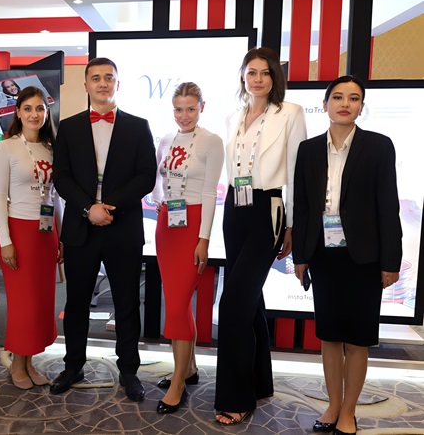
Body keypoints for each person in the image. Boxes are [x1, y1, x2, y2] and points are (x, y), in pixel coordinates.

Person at [292, 75, 402, 435]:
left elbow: (388, 206)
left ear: (361, 107)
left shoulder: (378, 146)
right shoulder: (308, 149)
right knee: (329, 336)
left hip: (364, 258)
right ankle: (333, 405)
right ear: (325, 104)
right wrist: (300, 256)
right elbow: (303, 206)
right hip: (323, 256)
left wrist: (391, 261)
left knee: (356, 339)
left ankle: (349, 411)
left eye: (353, 98)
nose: (345, 104)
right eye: (338, 97)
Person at [51, 57, 157, 402]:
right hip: (81, 227)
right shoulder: (68, 127)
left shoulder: (138, 126)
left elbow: (146, 176)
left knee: (127, 303)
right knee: (77, 302)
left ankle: (129, 370)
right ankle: (73, 365)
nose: (102, 83)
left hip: (122, 226)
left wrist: (108, 206)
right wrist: (88, 208)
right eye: (95, 78)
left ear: (117, 84)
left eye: (108, 77)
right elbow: (61, 177)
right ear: (85, 85)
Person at [214, 47, 307, 425]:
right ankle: (260, 382)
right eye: (251, 72)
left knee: (234, 303)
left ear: (274, 78)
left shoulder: (291, 113)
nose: (257, 79)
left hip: (269, 209)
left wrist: (292, 225)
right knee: (249, 301)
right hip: (234, 207)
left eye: (265, 73)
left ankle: (237, 397)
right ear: (242, 76)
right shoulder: (233, 116)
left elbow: (297, 172)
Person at [151, 82, 224, 414]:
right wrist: (159, 202)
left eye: (190, 109)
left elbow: (210, 193)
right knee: (175, 300)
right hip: (167, 223)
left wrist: (204, 239)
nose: (184, 115)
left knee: (179, 305)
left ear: (202, 107)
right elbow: (159, 178)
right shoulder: (166, 139)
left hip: (193, 224)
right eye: (178, 109)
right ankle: (188, 368)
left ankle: (178, 382)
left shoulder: (212, 141)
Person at [0, 86, 62, 390]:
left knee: (41, 303)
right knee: (24, 304)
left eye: (40, 109)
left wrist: (60, 236)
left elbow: (55, 196)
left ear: (46, 113)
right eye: (28, 108)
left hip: (46, 233)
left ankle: (29, 361)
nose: (35, 114)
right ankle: (17, 364)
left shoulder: (50, 147)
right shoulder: (6, 148)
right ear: (18, 112)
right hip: (18, 232)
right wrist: (5, 241)